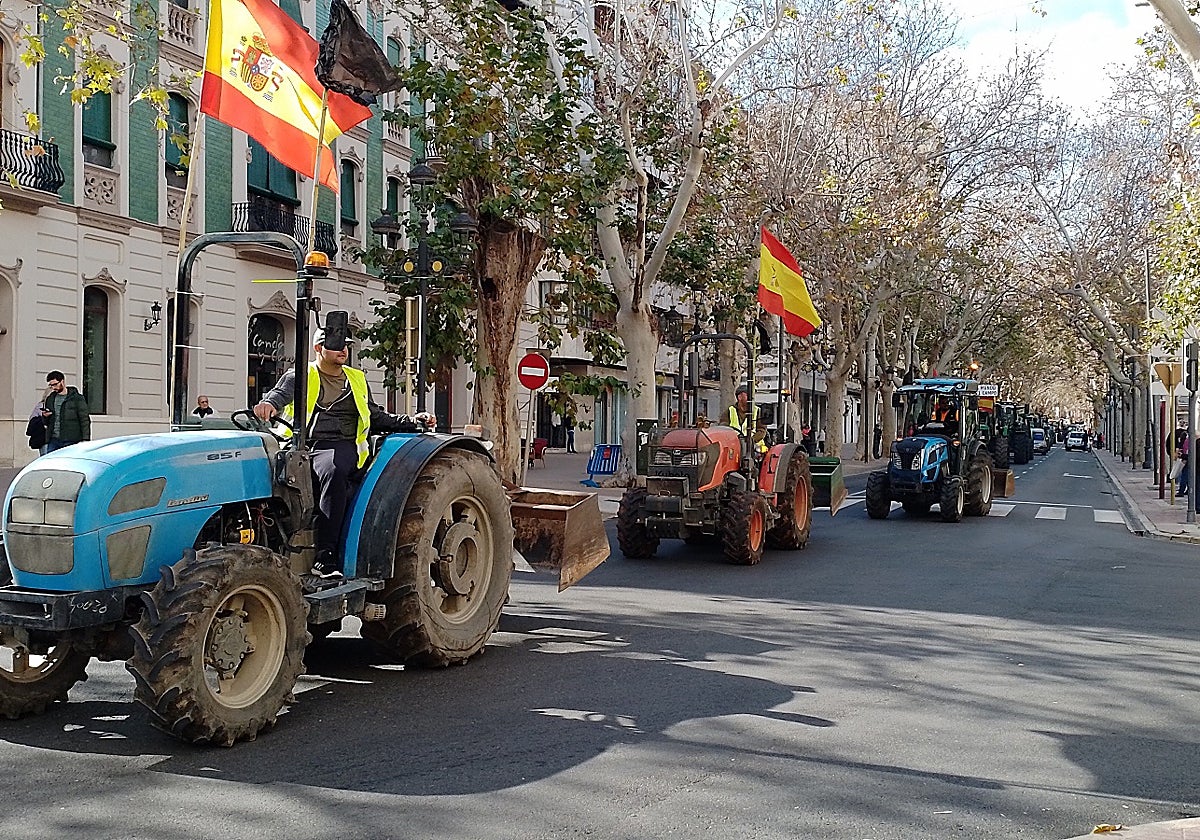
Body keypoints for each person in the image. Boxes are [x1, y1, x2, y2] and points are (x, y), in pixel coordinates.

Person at [254, 329, 434, 577]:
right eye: (336, 345)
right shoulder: (301, 375)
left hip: (341, 445)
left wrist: (411, 421)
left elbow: (375, 416)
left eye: (346, 345)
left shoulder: (356, 378)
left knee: (334, 469)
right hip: (302, 446)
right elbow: (278, 396)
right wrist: (268, 405)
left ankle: (325, 555)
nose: (344, 350)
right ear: (318, 349)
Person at [42, 370, 91, 453]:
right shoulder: (50, 398)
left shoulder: (77, 398)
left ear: (62, 381)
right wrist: (45, 416)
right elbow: (46, 422)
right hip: (53, 439)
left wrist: (85, 439)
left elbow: (84, 419)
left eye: (55, 384)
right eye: (51, 385)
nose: (53, 388)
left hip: (71, 439)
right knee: (50, 463)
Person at [729, 386, 767, 454]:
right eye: (748, 395)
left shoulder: (757, 411)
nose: (751, 397)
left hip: (755, 448)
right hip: (735, 447)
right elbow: (723, 428)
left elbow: (762, 430)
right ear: (739, 397)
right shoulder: (729, 411)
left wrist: (751, 441)